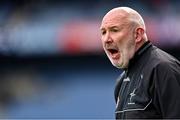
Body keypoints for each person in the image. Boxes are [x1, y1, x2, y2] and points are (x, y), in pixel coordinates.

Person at [100, 6, 180, 119]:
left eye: (114, 30)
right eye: (103, 32)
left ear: (137, 35)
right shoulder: (121, 81)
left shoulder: (163, 68)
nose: (107, 39)